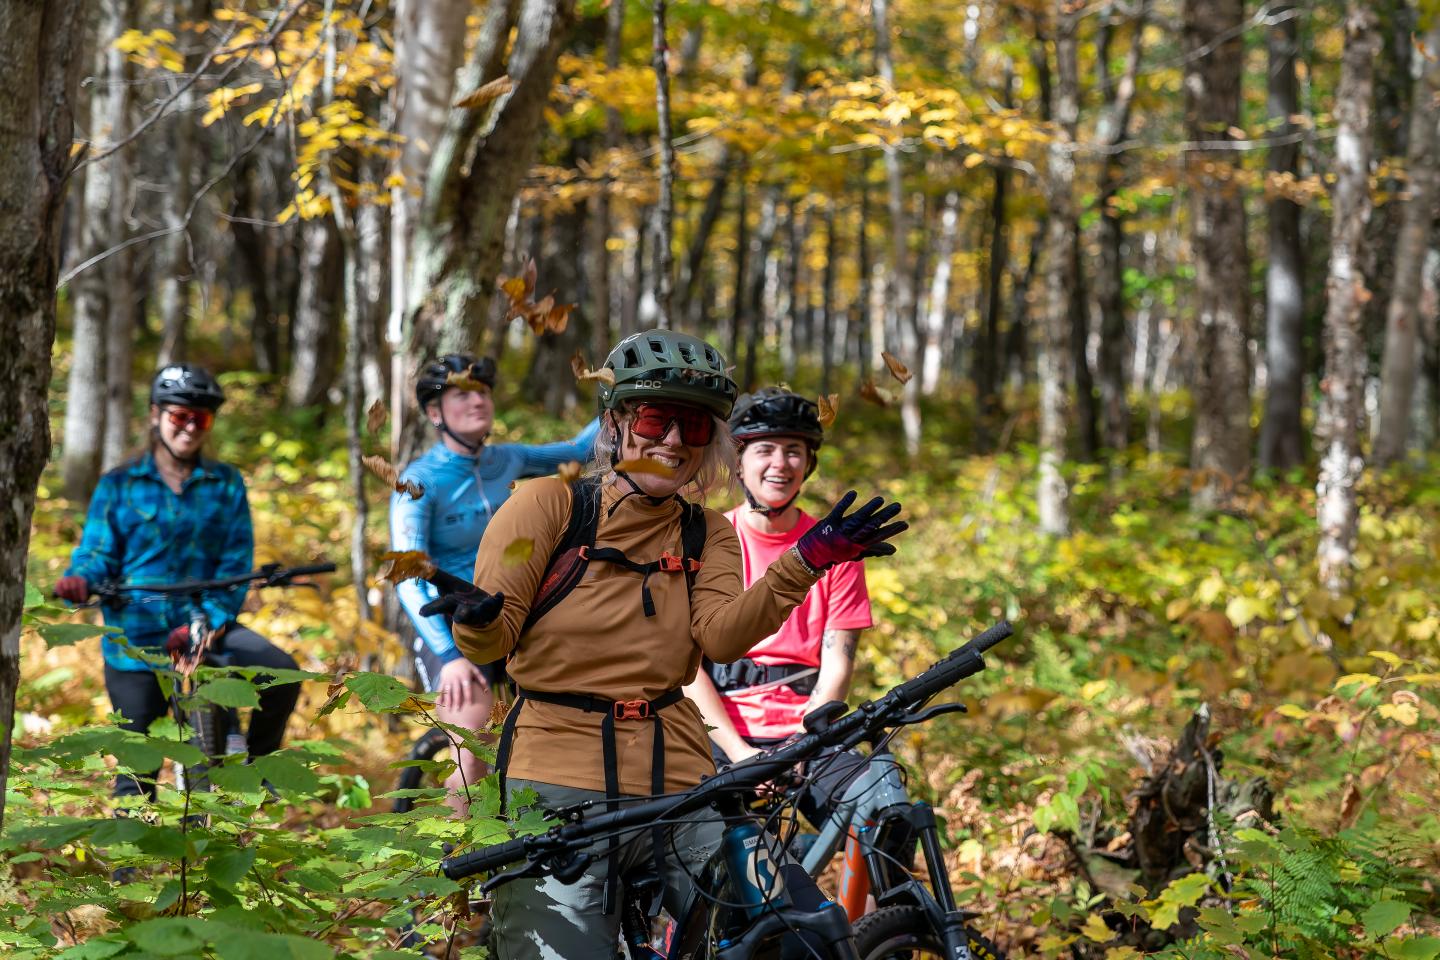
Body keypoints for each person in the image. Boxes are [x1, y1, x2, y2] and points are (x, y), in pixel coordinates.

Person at [438, 330, 907, 960]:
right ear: (616, 423)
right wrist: (473, 621)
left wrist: (806, 561)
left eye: (693, 427)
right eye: (657, 420)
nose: (673, 442)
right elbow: (495, 641)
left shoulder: (704, 529)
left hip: (684, 789)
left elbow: (719, 634)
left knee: (801, 937)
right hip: (557, 788)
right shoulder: (546, 505)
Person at [54, 363, 299, 804]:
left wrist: (209, 621)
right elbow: (96, 552)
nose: (189, 427)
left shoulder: (225, 484)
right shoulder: (120, 484)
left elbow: (234, 562)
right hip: (135, 644)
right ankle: (131, 870)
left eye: (200, 418)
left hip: (205, 635)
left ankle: (259, 769)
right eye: (178, 416)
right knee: (138, 771)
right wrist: (80, 580)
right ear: (155, 415)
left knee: (280, 674)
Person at [389, 354, 599, 811]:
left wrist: (615, 391)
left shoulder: (508, 459)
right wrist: (447, 656)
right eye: (460, 394)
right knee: (473, 741)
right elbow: (407, 575)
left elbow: (581, 451)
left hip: (516, 610)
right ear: (434, 413)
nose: (477, 401)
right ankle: (463, 865)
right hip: (452, 625)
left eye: (482, 392)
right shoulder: (419, 481)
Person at [682, 387, 874, 827]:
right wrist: (742, 756)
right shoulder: (705, 540)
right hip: (716, 727)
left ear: (809, 463)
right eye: (765, 449)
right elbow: (687, 668)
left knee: (881, 812)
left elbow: (837, 665)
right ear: (739, 461)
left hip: (808, 728)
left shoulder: (834, 546)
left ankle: (873, 900)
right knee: (676, 837)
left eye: (794, 451)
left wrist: (799, 748)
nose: (780, 463)